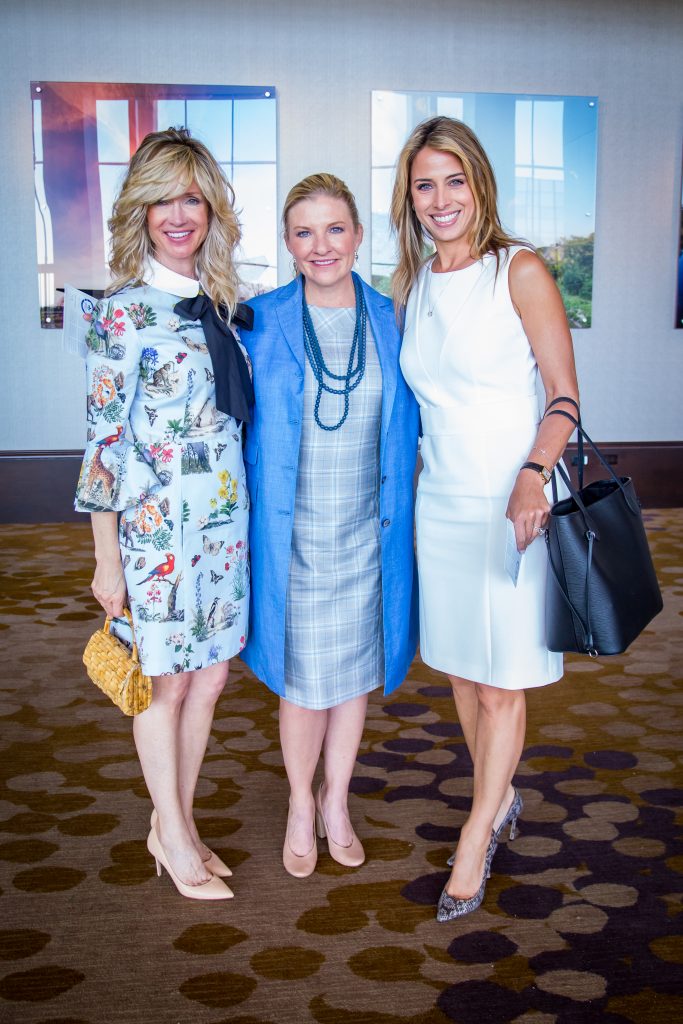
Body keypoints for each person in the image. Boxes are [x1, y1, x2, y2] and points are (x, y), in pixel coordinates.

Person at [391, 117, 579, 920]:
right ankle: (496, 797)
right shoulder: (413, 285)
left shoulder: (519, 269)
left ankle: (476, 834)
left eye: (454, 181)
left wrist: (532, 476)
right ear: (409, 197)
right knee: (464, 671)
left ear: (478, 185)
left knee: (502, 680)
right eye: (424, 184)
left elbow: (563, 398)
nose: (440, 199)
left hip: (512, 499)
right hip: (440, 501)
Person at [75, 128, 254, 901]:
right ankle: (175, 835)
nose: (178, 216)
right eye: (162, 201)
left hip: (223, 526)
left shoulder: (223, 306)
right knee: (165, 685)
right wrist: (106, 559)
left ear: (211, 209)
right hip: (156, 533)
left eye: (192, 199)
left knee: (209, 679)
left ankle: (171, 821)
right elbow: (104, 445)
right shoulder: (118, 314)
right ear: (140, 211)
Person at [241, 173, 419, 877]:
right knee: (302, 681)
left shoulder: (395, 318)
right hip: (293, 537)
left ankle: (335, 801)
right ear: (287, 243)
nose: (321, 246)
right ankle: (298, 803)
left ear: (358, 235)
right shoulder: (257, 321)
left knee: (352, 678)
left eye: (335, 228)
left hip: (369, 532)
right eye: (304, 232)